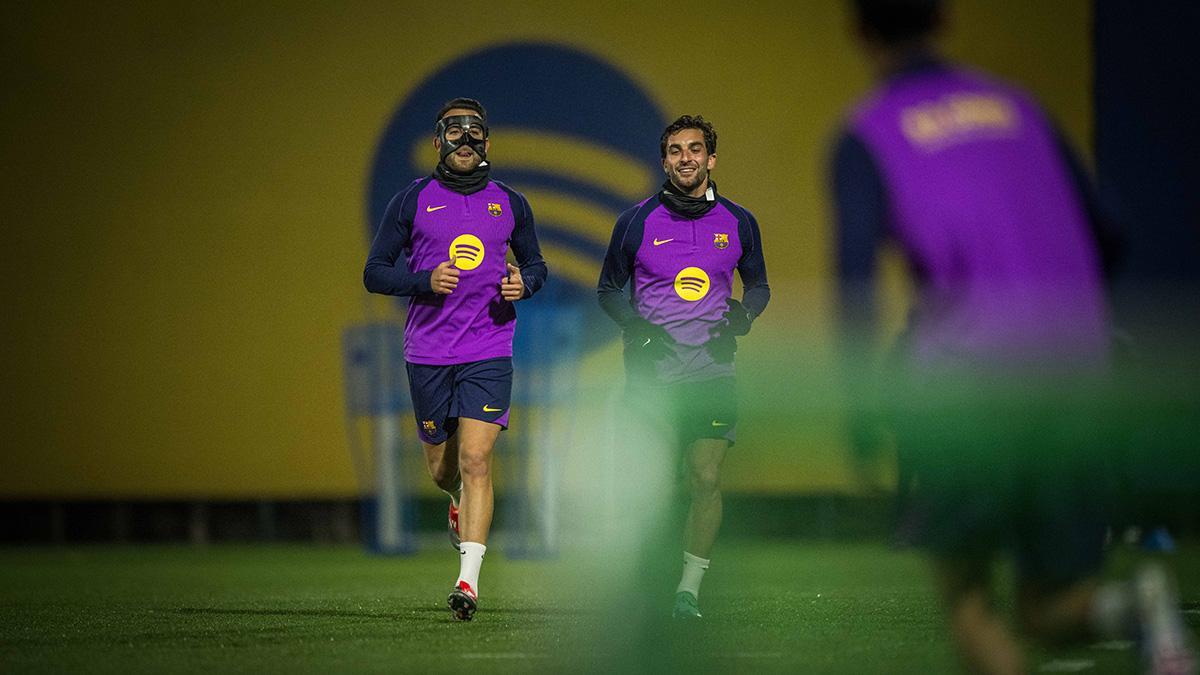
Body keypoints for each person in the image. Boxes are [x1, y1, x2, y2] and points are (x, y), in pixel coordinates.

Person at [831, 1, 1195, 673]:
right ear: (942, 18)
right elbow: (1111, 228)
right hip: (1076, 370)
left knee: (970, 606)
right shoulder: (1021, 108)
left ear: (857, 29)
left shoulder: (866, 134)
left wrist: (858, 414)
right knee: (1049, 610)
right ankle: (1140, 606)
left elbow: (854, 282)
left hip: (972, 384)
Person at [364, 97, 548, 621]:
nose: (465, 142)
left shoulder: (510, 202)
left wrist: (523, 283)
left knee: (476, 461)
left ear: (487, 143)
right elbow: (375, 271)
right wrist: (423, 280)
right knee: (444, 469)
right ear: (439, 140)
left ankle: (467, 582)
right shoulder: (411, 201)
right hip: (427, 352)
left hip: (489, 348)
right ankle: (453, 501)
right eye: (454, 132)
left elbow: (535, 264)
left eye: (474, 133)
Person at [597, 115, 769, 619]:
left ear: (711, 159)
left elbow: (758, 286)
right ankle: (638, 580)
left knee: (707, 479)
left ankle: (687, 591)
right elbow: (608, 289)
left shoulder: (739, 222)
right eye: (675, 150)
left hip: (712, 372)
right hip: (651, 375)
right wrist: (638, 327)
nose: (685, 158)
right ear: (664, 159)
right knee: (649, 485)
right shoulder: (635, 221)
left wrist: (745, 314)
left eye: (695, 150)